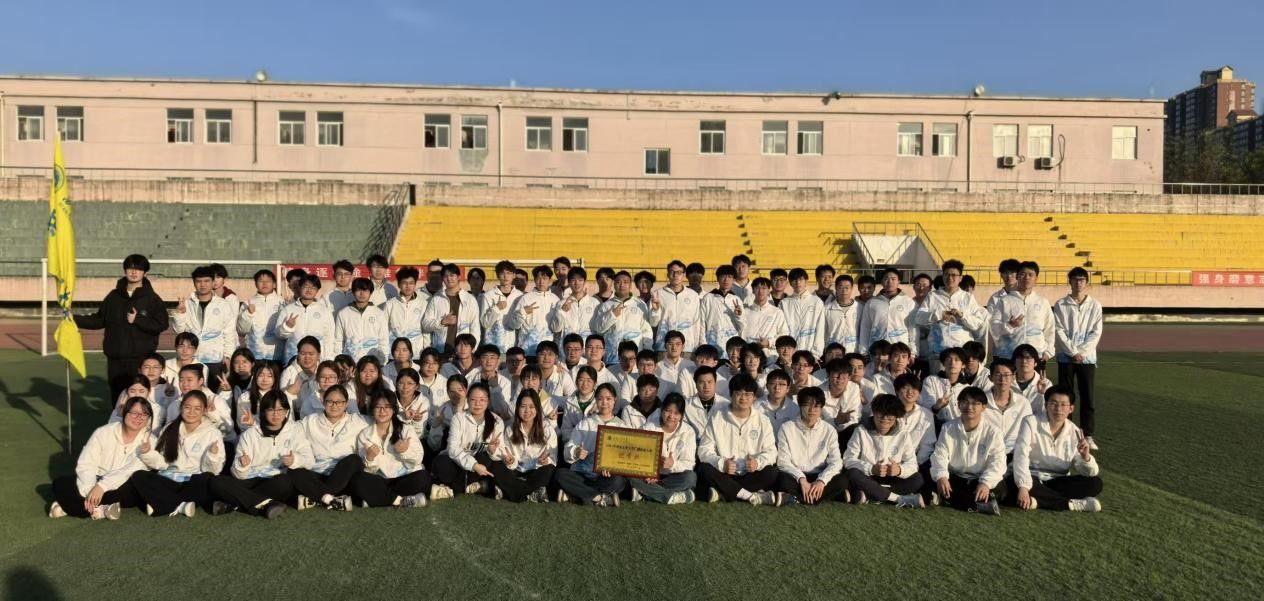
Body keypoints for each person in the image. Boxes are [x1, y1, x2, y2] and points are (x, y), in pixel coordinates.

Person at [75, 254, 170, 399]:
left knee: (139, 399)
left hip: (140, 360)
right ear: (125, 270)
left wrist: (138, 319)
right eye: (130, 268)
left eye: (139, 269)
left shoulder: (152, 299)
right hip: (115, 359)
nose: (134, 272)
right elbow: (99, 320)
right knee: (117, 399)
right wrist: (73, 319)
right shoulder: (113, 297)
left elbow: (162, 324)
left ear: (145, 273)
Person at [49, 396, 154, 520]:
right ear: (125, 413)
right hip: (96, 479)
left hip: (122, 484)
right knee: (60, 483)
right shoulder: (103, 432)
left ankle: (68, 506)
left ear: (149, 418)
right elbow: (87, 463)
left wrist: (101, 487)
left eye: (144, 414)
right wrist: (90, 491)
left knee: (131, 490)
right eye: (134, 413)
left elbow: (128, 471)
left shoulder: (150, 441)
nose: (139, 418)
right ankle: (101, 510)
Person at [210, 391, 309, 519]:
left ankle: (234, 504)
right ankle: (265, 504)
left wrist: (295, 460)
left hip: (274, 480)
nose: (276, 414)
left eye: (280, 409)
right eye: (271, 410)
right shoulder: (249, 434)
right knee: (216, 482)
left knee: (284, 482)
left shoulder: (295, 430)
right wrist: (242, 465)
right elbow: (237, 475)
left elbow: (309, 460)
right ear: (263, 411)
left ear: (287, 411)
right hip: (249, 479)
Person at [1012, 385, 1103, 512]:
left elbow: (1089, 472)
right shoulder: (1030, 422)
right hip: (1032, 477)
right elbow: (1021, 455)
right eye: (1054, 403)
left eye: (1063, 405)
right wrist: (1023, 487)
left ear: (1071, 408)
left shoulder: (1075, 432)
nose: (1058, 409)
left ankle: (1038, 501)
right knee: (1011, 484)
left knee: (1095, 483)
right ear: (1046, 405)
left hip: (1058, 480)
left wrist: (1085, 457)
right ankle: (1070, 504)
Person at [134, 390, 225, 517]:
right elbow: (162, 463)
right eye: (187, 407)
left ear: (204, 411)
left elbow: (213, 471)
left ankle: (162, 503)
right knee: (139, 476)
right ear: (181, 407)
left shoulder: (213, 433)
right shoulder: (169, 428)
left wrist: (212, 456)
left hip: (193, 481)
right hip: (169, 479)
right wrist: (147, 453)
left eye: (197, 408)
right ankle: (181, 506)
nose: (191, 412)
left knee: (206, 480)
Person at [696, 374, 779, 505]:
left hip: (751, 474)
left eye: (748, 394)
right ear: (731, 394)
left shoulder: (763, 421)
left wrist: (757, 463)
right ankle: (750, 496)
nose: (743, 398)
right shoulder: (717, 418)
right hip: (724, 473)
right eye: (739, 393)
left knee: (772, 473)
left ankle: (723, 493)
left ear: (754, 397)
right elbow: (704, 450)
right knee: (704, 469)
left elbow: (771, 452)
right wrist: (722, 464)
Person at [930, 386, 1007, 514]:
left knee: (1001, 488)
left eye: (975, 403)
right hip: (956, 477)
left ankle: (952, 500)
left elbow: (998, 461)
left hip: (979, 477)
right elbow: (939, 455)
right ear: (958, 405)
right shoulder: (948, 428)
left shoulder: (993, 432)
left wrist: (985, 483)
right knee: (937, 481)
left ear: (984, 407)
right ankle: (978, 504)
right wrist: (942, 476)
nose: (969, 407)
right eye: (965, 402)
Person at [290, 385, 366, 511]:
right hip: (317, 472)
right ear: (323, 402)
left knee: (354, 460)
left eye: (339, 402)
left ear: (346, 404)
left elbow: (381, 420)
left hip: (343, 474)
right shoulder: (310, 421)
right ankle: (332, 499)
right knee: (294, 470)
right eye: (330, 401)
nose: (334, 406)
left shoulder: (358, 421)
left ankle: (317, 497)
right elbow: (289, 429)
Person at [351, 390, 430, 508]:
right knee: (358, 480)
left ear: (394, 409)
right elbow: (368, 470)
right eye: (378, 407)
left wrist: (405, 451)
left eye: (387, 407)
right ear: (372, 410)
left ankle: (377, 498)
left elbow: (418, 459)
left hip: (405, 477)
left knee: (423, 477)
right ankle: (401, 500)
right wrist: (370, 458)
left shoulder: (405, 429)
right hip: (381, 480)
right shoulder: (365, 435)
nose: (382, 411)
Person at [842, 394, 925, 507]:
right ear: (874, 412)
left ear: (896, 416)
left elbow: (912, 464)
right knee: (852, 473)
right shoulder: (861, 430)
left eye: (890, 415)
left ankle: (870, 494)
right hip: (868, 476)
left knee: (917, 478)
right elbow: (848, 459)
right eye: (881, 414)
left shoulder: (903, 434)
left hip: (892, 479)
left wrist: (899, 470)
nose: (885, 418)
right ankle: (898, 499)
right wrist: (871, 468)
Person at [1053, 266, 1103, 450]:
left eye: (1081, 279)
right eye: (1075, 279)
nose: (1078, 283)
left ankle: (1087, 435)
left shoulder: (1095, 305)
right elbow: (1059, 330)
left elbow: (1096, 332)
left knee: (1088, 397)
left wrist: (1082, 352)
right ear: (1070, 282)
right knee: (1066, 397)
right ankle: (1065, 433)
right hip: (1066, 358)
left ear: (1086, 282)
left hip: (1087, 359)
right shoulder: (1061, 304)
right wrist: (1073, 352)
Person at [430, 382, 504, 500]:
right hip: (458, 461)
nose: (477, 404)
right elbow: (453, 448)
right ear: (467, 400)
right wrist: (473, 465)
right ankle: (475, 486)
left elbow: (500, 451)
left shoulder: (497, 421)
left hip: (480, 462)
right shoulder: (458, 418)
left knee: (486, 458)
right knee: (442, 463)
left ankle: (451, 490)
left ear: (488, 401)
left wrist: (492, 451)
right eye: (473, 399)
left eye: (482, 400)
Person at [556, 383, 626, 506]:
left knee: (618, 481)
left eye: (608, 399)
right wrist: (576, 452)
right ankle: (599, 497)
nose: (604, 402)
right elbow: (568, 449)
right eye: (600, 399)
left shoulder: (622, 426)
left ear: (615, 400)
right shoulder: (586, 423)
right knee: (560, 474)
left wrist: (613, 467)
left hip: (605, 477)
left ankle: (574, 494)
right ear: (596, 400)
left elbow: (625, 456)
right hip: (582, 473)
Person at [775, 386, 847, 506]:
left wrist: (821, 481)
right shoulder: (787, 428)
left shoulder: (829, 430)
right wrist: (801, 478)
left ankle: (798, 497)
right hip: (795, 476)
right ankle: (818, 497)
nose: (812, 410)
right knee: (782, 480)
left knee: (842, 481)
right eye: (807, 405)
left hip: (819, 474)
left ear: (821, 407)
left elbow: (836, 462)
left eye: (816, 406)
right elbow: (783, 461)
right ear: (800, 406)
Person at [173, 265, 237, 391]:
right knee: (191, 392)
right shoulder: (187, 304)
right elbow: (180, 332)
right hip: (192, 359)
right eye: (199, 281)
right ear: (194, 283)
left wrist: (228, 356)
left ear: (213, 282)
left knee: (214, 394)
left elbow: (229, 332)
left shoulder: (223, 305)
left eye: (206, 281)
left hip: (215, 360)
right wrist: (180, 314)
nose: (203, 285)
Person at [490, 389, 558, 503]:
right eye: (523, 406)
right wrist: (510, 461)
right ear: (517, 408)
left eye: (531, 407)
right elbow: (509, 457)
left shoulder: (547, 429)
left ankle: (510, 492)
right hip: (516, 469)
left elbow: (553, 458)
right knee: (497, 466)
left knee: (549, 470)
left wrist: (545, 461)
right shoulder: (510, 429)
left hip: (537, 469)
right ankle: (531, 494)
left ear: (537, 409)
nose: (527, 411)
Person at [630, 393, 697, 504]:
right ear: (661, 410)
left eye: (676, 413)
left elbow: (689, 464)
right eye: (668, 411)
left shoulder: (688, 432)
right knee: (629, 477)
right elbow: (635, 456)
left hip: (673, 476)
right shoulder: (648, 428)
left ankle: (645, 492)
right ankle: (670, 496)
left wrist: (673, 464)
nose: (671, 416)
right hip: (648, 477)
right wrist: (646, 473)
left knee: (690, 478)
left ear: (681, 416)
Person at [920, 259, 984, 374]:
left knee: (960, 384)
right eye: (947, 274)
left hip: (962, 354)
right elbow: (919, 318)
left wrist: (962, 316)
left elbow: (978, 323)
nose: (950, 278)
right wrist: (939, 314)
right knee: (938, 383)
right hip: (938, 353)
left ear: (960, 278)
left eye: (954, 275)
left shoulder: (968, 298)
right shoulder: (932, 296)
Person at [990, 261, 1055, 361]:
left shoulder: (1043, 302)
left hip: (1035, 357)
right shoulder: (1004, 301)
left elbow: (1050, 329)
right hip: (1008, 356)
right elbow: (993, 327)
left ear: (1036, 278)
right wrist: (1009, 325)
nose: (1026, 278)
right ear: (1017, 277)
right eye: (1023, 274)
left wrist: (1048, 352)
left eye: (1030, 275)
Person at [421, 263, 482, 358]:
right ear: (442, 278)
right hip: (440, 352)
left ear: (459, 277)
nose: (449, 278)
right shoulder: (436, 299)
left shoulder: (470, 299)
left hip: (462, 352)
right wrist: (442, 322)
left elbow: (475, 328)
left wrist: (472, 350)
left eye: (452, 275)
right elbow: (425, 324)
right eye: (445, 276)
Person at [594, 271, 653, 365]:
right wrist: (612, 315)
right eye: (618, 282)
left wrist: (647, 352)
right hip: (612, 358)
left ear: (630, 285)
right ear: (614, 285)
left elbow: (646, 330)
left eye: (625, 282)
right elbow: (599, 329)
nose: (622, 285)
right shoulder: (606, 305)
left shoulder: (639, 304)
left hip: (634, 359)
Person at [858, 268, 916, 362]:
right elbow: (865, 327)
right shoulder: (872, 302)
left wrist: (913, 352)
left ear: (898, 281)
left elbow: (913, 328)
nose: (890, 282)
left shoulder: (908, 302)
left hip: (899, 351)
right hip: (877, 350)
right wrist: (863, 352)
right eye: (886, 279)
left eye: (893, 279)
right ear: (881, 282)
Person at [276, 273, 337, 362]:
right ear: (300, 287)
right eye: (306, 286)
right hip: (292, 359)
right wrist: (287, 327)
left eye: (313, 288)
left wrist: (328, 359)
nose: (309, 290)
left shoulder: (325, 311)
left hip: (317, 360)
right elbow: (279, 335)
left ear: (317, 291)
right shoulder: (288, 309)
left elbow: (329, 337)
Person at [649, 260, 703, 353]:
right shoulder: (658, 294)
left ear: (684, 275)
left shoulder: (693, 295)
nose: (675, 275)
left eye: (679, 272)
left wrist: (696, 346)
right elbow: (653, 323)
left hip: (687, 348)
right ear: (667, 274)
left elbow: (696, 323)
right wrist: (655, 310)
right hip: (664, 347)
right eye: (672, 272)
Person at [332, 277, 390, 362]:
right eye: (358, 290)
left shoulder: (379, 314)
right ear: (353, 292)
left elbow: (383, 340)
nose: (362, 294)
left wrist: (382, 361)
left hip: (373, 363)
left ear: (370, 292)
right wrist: (340, 361)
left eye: (365, 290)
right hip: (350, 363)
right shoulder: (343, 313)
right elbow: (338, 340)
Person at [507, 265, 557, 358]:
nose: (541, 281)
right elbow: (513, 325)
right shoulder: (525, 298)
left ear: (550, 280)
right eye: (538, 278)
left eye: (544, 278)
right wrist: (523, 312)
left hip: (548, 352)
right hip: (528, 351)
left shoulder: (555, 300)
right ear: (534, 280)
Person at [236, 269, 285, 362]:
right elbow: (242, 330)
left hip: (277, 355)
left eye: (268, 281)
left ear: (274, 284)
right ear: (255, 284)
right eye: (261, 281)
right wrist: (248, 314)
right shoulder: (248, 303)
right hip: (254, 354)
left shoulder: (282, 303)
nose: (264, 284)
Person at [780, 268, 827, 358]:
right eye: (794, 280)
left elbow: (820, 330)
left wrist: (815, 355)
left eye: (801, 279)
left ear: (806, 281)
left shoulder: (817, 302)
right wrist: (787, 353)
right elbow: (783, 331)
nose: (798, 283)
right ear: (790, 283)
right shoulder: (784, 303)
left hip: (811, 355)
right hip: (790, 355)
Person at [740, 277, 790, 359]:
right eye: (757, 288)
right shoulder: (745, 312)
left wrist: (769, 342)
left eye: (764, 288)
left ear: (769, 290)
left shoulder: (777, 312)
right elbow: (740, 332)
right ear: (753, 290)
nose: (760, 291)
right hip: (749, 357)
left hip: (770, 357)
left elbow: (784, 334)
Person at [383, 266, 428, 354]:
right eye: (404, 283)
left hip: (417, 353)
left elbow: (426, 331)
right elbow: (384, 330)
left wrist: (425, 350)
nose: (408, 286)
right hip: (395, 353)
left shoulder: (424, 304)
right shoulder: (390, 304)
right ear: (399, 284)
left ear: (415, 284)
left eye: (411, 283)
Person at [549, 266, 601, 341]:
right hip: (567, 346)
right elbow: (555, 329)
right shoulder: (561, 303)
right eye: (573, 280)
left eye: (580, 280)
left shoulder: (595, 303)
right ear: (569, 282)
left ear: (584, 282)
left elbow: (599, 329)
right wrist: (562, 312)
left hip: (587, 347)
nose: (577, 283)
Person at [481, 260, 523, 354]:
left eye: (508, 273)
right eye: (502, 273)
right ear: (497, 275)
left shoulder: (520, 296)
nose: (505, 276)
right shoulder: (488, 296)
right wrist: (496, 308)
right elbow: (484, 323)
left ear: (514, 275)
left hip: (513, 347)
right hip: (492, 347)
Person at [700, 265, 744, 353]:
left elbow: (742, 327)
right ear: (718, 279)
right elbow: (701, 323)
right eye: (723, 276)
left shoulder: (737, 300)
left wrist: (738, 316)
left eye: (730, 277)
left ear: (734, 280)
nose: (726, 280)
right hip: (712, 345)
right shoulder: (708, 298)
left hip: (731, 349)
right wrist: (703, 344)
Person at [823, 274, 860, 354]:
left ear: (852, 288)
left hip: (853, 351)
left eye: (847, 288)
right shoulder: (827, 308)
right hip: (833, 353)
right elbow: (823, 331)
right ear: (836, 288)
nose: (844, 291)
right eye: (840, 287)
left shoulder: (860, 308)